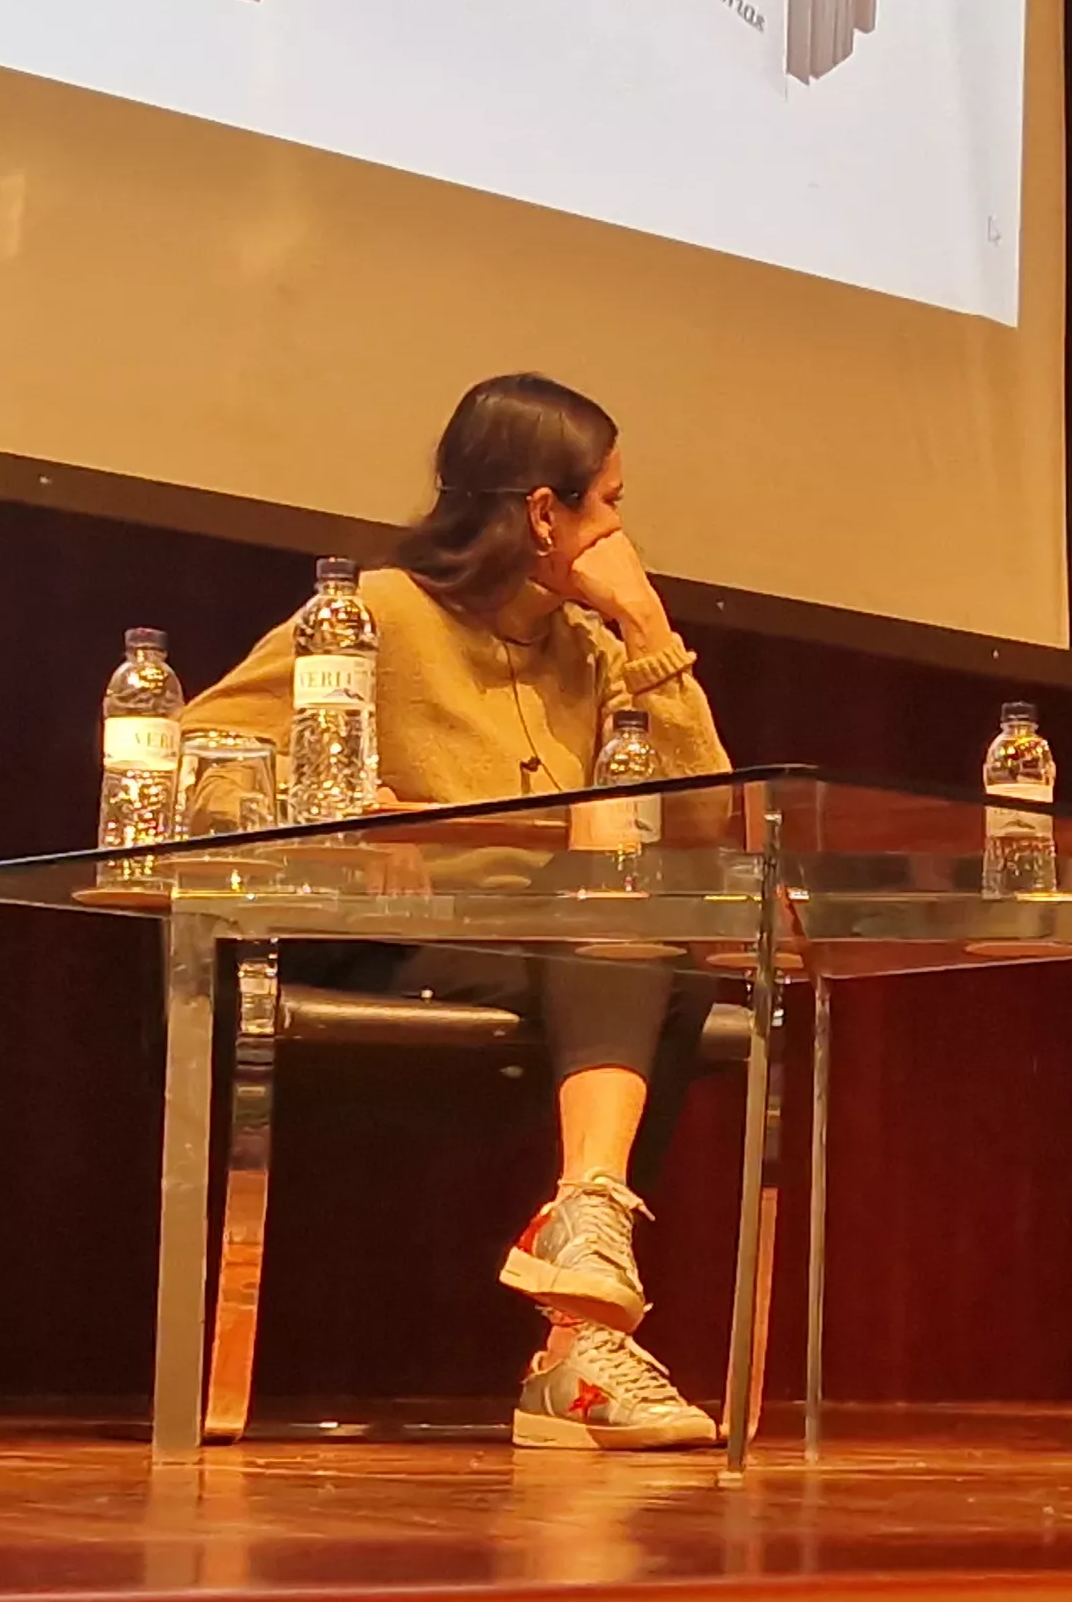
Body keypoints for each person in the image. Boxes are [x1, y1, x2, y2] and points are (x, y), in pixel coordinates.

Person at [186, 373, 728, 1451]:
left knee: (649, 952)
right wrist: (350, 818)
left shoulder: (594, 649)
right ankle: (577, 1344)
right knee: (635, 956)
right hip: (392, 943)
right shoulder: (378, 613)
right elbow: (207, 754)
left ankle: (583, 1238)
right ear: (545, 513)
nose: (620, 533)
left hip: (547, 947)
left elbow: (704, 823)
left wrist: (648, 624)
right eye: (610, 503)